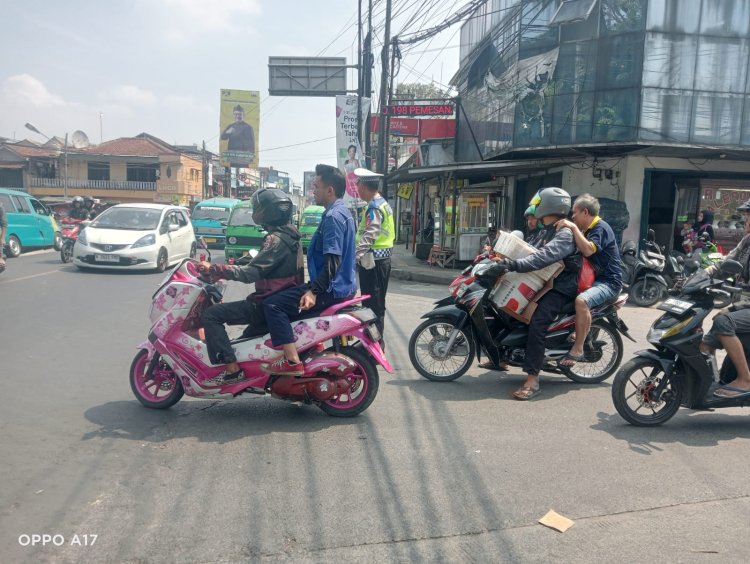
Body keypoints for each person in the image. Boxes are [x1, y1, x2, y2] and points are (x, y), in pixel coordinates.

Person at [479, 187, 579, 400]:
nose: (534, 209)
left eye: (538, 204)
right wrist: (499, 256)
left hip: (560, 287)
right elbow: (527, 249)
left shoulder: (564, 232)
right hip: (543, 282)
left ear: (549, 205)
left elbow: (542, 258)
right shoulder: (545, 229)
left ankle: (533, 380)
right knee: (502, 305)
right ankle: (502, 356)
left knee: (538, 322)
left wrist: (512, 264)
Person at [198, 189, 304, 386]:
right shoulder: (292, 237)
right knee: (245, 339)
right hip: (283, 299)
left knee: (212, 315)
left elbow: (250, 273)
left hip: (265, 303)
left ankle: (232, 371)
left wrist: (214, 268)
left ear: (266, 212)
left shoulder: (275, 240)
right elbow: (263, 264)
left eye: (258, 208)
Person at [260, 164, 357, 375]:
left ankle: (292, 361)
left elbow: (333, 261)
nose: (313, 191)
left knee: (273, 305)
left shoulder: (333, 217)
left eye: (316, 186)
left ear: (329, 190)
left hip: (331, 290)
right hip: (341, 286)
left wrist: (313, 291)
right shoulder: (343, 212)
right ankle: (308, 350)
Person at [554, 194, 622, 367]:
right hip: (591, 280)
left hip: (609, 283)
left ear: (585, 212)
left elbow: (588, 250)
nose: (572, 217)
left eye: (574, 213)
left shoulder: (600, 228)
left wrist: (572, 227)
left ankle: (578, 348)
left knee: (581, 301)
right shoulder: (587, 230)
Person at [701, 199, 750, 398]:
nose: (745, 221)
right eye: (746, 217)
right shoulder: (747, 240)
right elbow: (727, 261)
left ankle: (746, 380)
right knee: (706, 343)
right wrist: (700, 276)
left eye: (749, 217)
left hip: (746, 305)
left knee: (722, 320)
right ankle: (709, 383)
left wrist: (733, 308)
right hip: (743, 304)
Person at [353, 167, 394, 341]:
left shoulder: (375, 208)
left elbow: (370, 234)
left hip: (373, 262)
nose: (356, 188)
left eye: (358, 184)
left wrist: (355, 256)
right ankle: (376, 343)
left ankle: (375, 345)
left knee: (372, 306)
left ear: (363, 186)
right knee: (376, 304)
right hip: (380, 260)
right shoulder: (381, 204)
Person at [0, 201, 7, 273]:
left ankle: (2, 259)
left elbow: (4, 224)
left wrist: (2, 238)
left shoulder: (0, 207)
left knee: (1, 264)